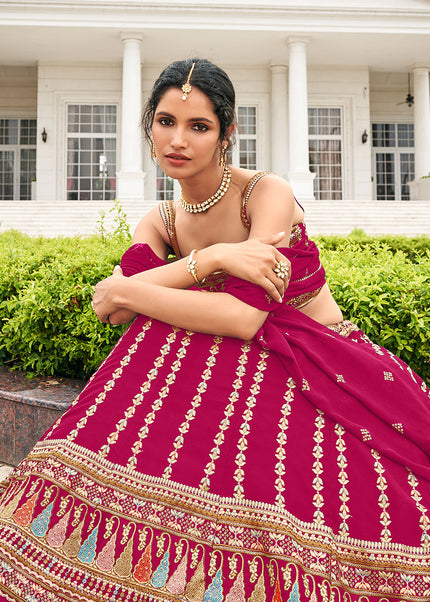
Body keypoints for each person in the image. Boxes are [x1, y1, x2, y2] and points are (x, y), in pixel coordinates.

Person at [0, 58, 429, 602]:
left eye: (198, 127)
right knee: (161, 326)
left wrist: (130, 288)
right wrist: (214, 257)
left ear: (228, 133)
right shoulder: (161, 221)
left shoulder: (265, 194)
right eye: (165, 122)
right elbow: (122, 310)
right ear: (148, 127)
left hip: (324, 365)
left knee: (166, 319)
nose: (177, 140)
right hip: (242, 373)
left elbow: (242, 316)